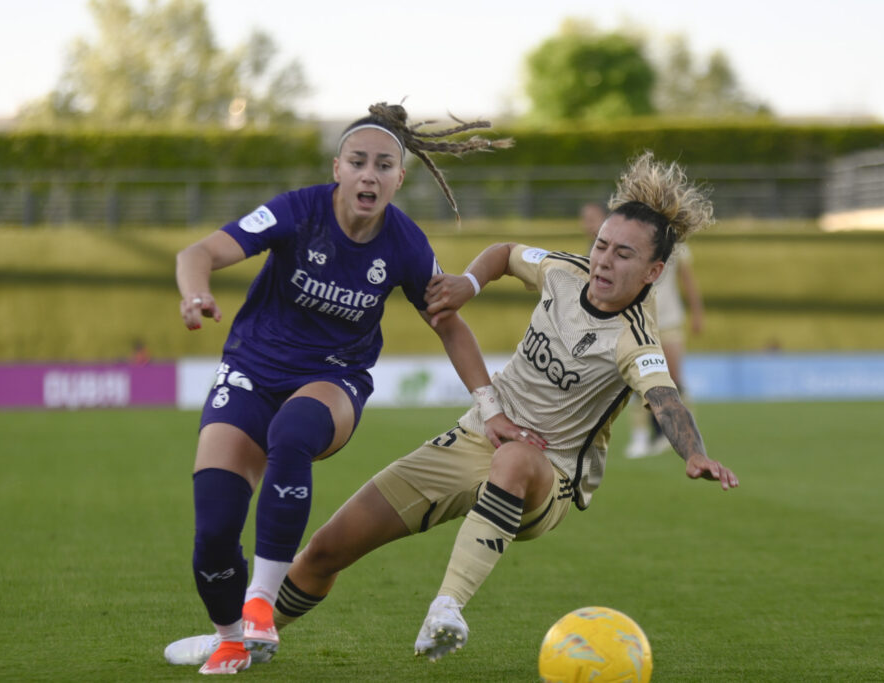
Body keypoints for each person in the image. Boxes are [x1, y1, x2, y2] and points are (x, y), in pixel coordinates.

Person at [165, 150, 739, 668]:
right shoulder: (564, 271)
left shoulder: (636, 339)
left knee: (515, 458)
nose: (604, 261)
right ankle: (236, 641)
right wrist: (469, 281)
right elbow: (505, 254)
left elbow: (662, 394)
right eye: (601, 246)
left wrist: (695, 452)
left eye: (623, 255)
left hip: (549, 472)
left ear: (654, 272)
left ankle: (447, 608)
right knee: (325, 550)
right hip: (473, 439)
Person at [173, 101, 524, 675]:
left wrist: (488, 407)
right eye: (358, 162)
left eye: (383, 165)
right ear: (337, 168)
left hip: (332, 377)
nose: (370, 174)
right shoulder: (296, 211)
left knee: (292, 434)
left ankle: (260, 604)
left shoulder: (405, 244)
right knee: (213, 532)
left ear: (398, 179)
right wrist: (195, 294)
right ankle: (230, 637)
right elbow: (200, 253)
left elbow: (447, 323)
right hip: (251, 370)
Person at [625, 239, 704, 458]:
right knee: (640, 380)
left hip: (670, 321)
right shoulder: (639, 238)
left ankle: (685, 433)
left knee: (674, 380)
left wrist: (697, 313)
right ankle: (640, 437)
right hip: (642, 320)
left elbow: (688, 281)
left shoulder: (678, 246)